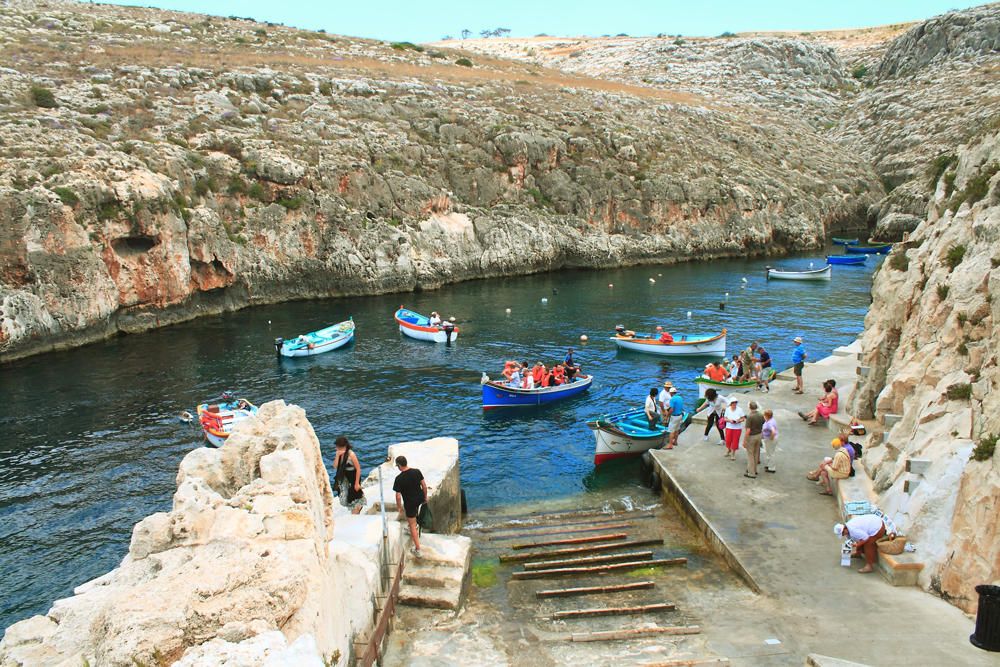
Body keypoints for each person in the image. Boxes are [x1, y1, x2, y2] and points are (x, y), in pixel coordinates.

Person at [393, 456, 428, 558]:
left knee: (412, 524)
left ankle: (418, 549)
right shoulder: (416, 471)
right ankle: (411, 528)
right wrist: (425, 497)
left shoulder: (398, 479)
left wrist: (399, 508)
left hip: (410, 503)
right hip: (420, 499)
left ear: (399, 465)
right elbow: (424, 486)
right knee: (414, 518)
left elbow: (398, 496)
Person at [333, 436, 366, 514]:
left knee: (354, 495)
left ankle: (357, 509)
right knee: (344, 497)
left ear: (345, 446)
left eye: (340, 447)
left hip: (353, 476)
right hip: (345, 477)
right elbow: (335, 466)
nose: (338, 449)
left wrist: (357, 483)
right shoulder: (339, 453)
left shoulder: (351, 454)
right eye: (338, 447)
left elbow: (358, 469)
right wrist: (337, 455)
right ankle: (356, 508)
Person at [744, 401, 764, 478]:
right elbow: (763, 423)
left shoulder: (750, 417)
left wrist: (745, 440)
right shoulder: (760, 415)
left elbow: (748, 430)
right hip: (759, 435)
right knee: (756, 453)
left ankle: (751, 472)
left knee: (750, 455)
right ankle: (755, 470)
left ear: (749, 407)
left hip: (752, 436)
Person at [761, 409, 778, 473]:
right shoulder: (771, 420)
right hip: (771, 438)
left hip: (770, 439)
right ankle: (769, 465)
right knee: (769, 453)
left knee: (770, 453)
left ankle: (772, 468)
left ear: (766, 416)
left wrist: (771, 438)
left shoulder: (769, 423)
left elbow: (773, 431)